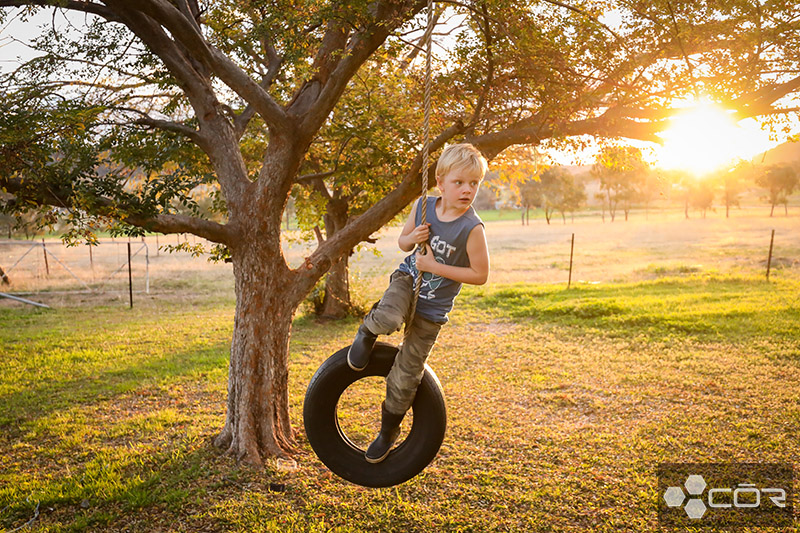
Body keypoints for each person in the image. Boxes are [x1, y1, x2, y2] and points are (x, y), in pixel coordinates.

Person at [347, 143, 490, 463]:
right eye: (459, 182)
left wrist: (435, 267)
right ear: (441, 182)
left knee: (406, 376)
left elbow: (480, 275)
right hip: (407, 281)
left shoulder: (472, 228)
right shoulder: (423, 206)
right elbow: (402, 242)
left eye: (474, 183)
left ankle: (387, 432)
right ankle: (367, 333)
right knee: (389, 317)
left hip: (433, 310)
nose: (467, 190)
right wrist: (413, 239)